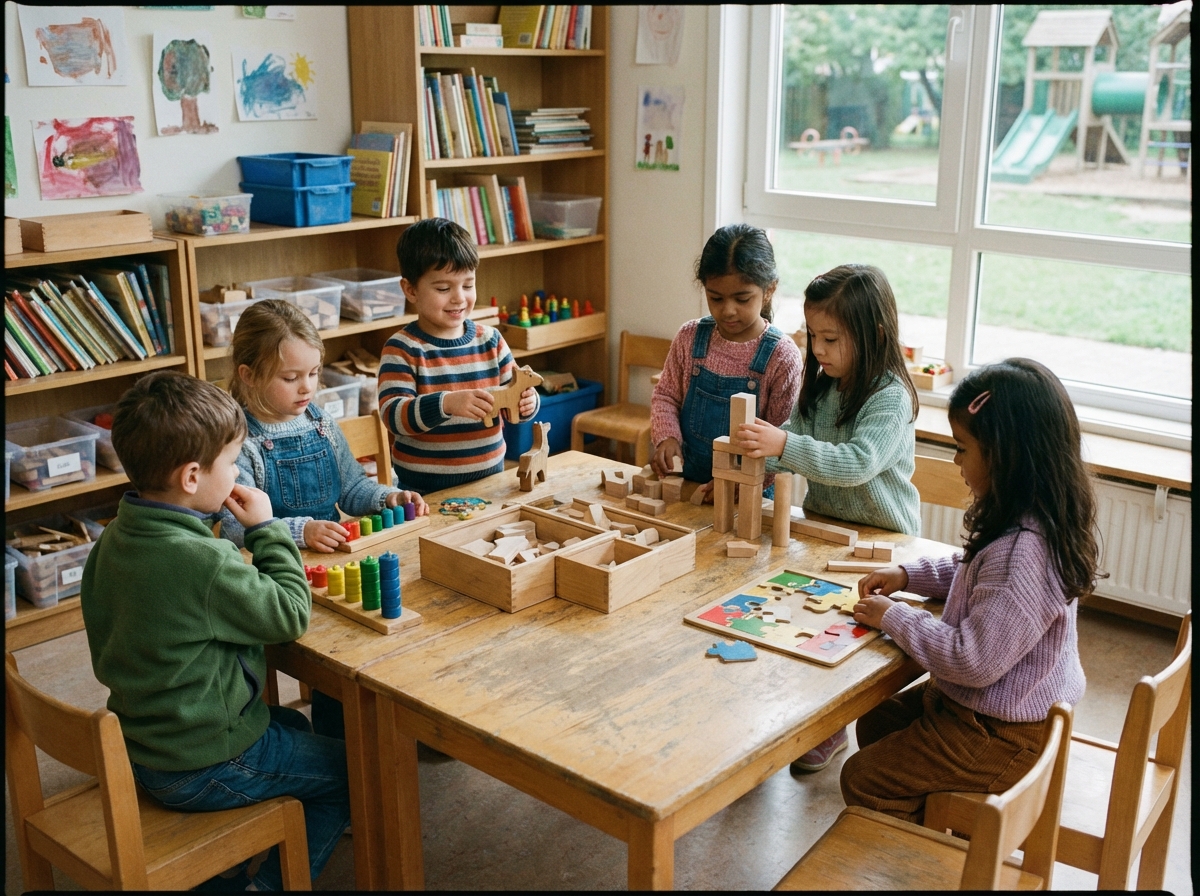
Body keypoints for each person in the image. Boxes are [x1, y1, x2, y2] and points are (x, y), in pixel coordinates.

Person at [80, 371, 350, 891]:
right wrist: (268, 529)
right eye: (230, 463)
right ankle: (264, 886)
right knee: (352, 772)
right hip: (202, 761)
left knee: (293, 728)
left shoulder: (115, 537)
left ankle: (234, 857)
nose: (235, 474)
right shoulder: (201, 561)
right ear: (190, 477)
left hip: (144, 741)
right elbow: (290, 613)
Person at [842, 358, 1097, 824]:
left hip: (1004, 733)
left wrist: (896, 616)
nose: (956, 460)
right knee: (877, 723)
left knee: (863, 778)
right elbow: (971, 572)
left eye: (962, 448)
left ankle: (938, 847)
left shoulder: (1024, 553)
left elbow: (970, 661)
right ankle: (941, 815)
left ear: (1005, 455)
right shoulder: (1029, 517)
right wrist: (908, 576)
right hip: (995, 712)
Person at [735, 263, 921, 773]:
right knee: (808, 622)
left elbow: (857, 464)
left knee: (856, 636)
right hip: (824, 531)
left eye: (831, 338)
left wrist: (784, 444)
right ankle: (822, 722)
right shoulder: (820, 386)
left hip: (886, 538)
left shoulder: (889, 397)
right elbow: (784, 447)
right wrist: (746, 465)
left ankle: (844, 722)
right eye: (813, 335)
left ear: (874, 334)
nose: (817, 349)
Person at [217, 298, 427, 553]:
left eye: (314, 373)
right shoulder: (237, 443)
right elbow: (236, 529)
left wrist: (388, 498)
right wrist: (302, 532)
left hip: (332, 560)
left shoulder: (321, 423)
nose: (307, 387)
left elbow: (352, 489)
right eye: (291, 378)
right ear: (249, 375)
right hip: (273, 568)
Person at [379, 217, 540, 494]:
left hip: (491, 479)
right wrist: (446, 404)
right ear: (410, 290)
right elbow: (393, 416)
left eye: (468, 285)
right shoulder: (402, 348)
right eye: (443, 288)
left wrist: (528, 403)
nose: (459, 298)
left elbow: (514, 392)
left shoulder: (491, 340)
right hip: (423, 489)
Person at [649, 223, 803, 495]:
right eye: (716, 298)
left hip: (748, 492)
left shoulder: (781, 356)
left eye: (742, 299)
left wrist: (743, 483)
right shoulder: (690, 337)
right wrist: (667, 437)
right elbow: (666, 397)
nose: (728, 310)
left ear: (769, 290)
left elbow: (783, 442)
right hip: (689, 482)